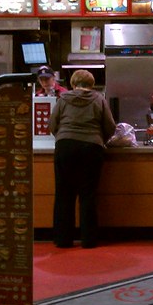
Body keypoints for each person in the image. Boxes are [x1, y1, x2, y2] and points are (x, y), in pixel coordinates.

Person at [48, 69, 116, 249]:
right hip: (91, 148)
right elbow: (110, 126)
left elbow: (52, 124)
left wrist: (63, 136)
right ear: (92, 84)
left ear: (73, 83)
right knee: (88, 194)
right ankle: (89, 240)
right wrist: (100, 139)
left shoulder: (63, 99)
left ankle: (63, 239)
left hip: (65, 146)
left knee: (64, 194)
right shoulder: (99, 99)